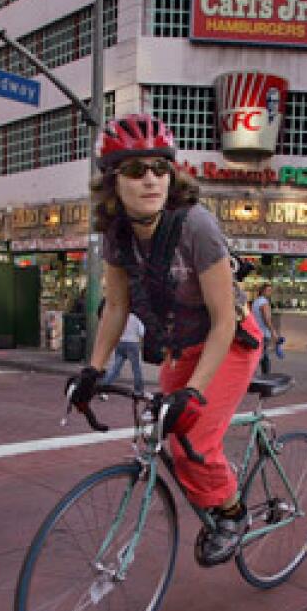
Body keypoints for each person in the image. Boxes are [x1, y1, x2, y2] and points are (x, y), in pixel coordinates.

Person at [66, 114, 262, 567]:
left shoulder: (196, 226)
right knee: (165, 432)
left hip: (228, 341)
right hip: (181, 347)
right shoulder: (116, 234)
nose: (151, 179)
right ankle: (214, 483)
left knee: (194, 441)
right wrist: (92, 370)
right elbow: (115, 307)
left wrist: (194, 392)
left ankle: (232, 513)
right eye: (135, 171)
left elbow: (222, 322)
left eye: (160, 168)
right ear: (113, 183)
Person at [101, 312, 145, 394]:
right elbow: (142, 332)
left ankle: (103, 385)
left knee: (115, 368)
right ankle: (138, 390)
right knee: (136, 368)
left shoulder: (120, 315)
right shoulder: (136, 317)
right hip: (132, 343)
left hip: (120, 343)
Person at [251, 283, 275, 374]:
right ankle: (256, 376)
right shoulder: (264, 302)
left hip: (257, 332)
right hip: (263, 334)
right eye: (268, 290)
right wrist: (273, 332)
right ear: (263, 291)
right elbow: (267, 319)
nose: (270, 292)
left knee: (263, 356)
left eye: (271, 290)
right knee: (262, 357)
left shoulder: (256, 302)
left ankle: (260, 376)